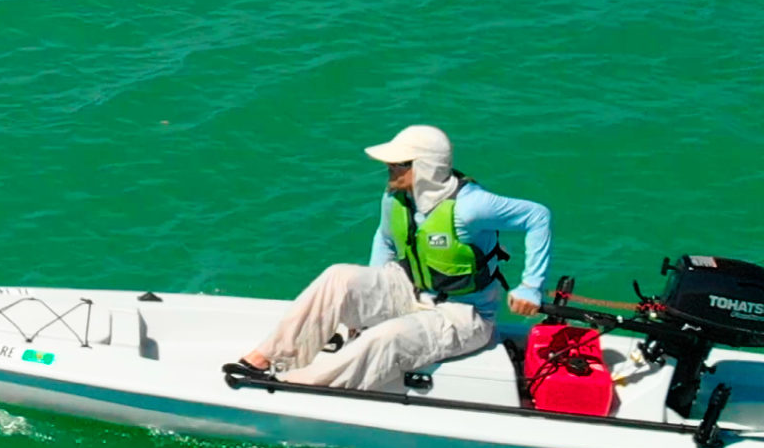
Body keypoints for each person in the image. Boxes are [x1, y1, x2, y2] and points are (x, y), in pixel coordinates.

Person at [228, 124, 555, 392]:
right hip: (410, 289)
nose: (389, 168)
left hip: (466, 316)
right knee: (338, 275)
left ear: (424, 168)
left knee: (388, 337)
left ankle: (295, 385)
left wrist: (531, 285)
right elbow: (384, 240)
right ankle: (265, 358)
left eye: (399, 163)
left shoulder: (472, 207)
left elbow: (537, 217)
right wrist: (366, 306)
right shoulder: (397, 197)